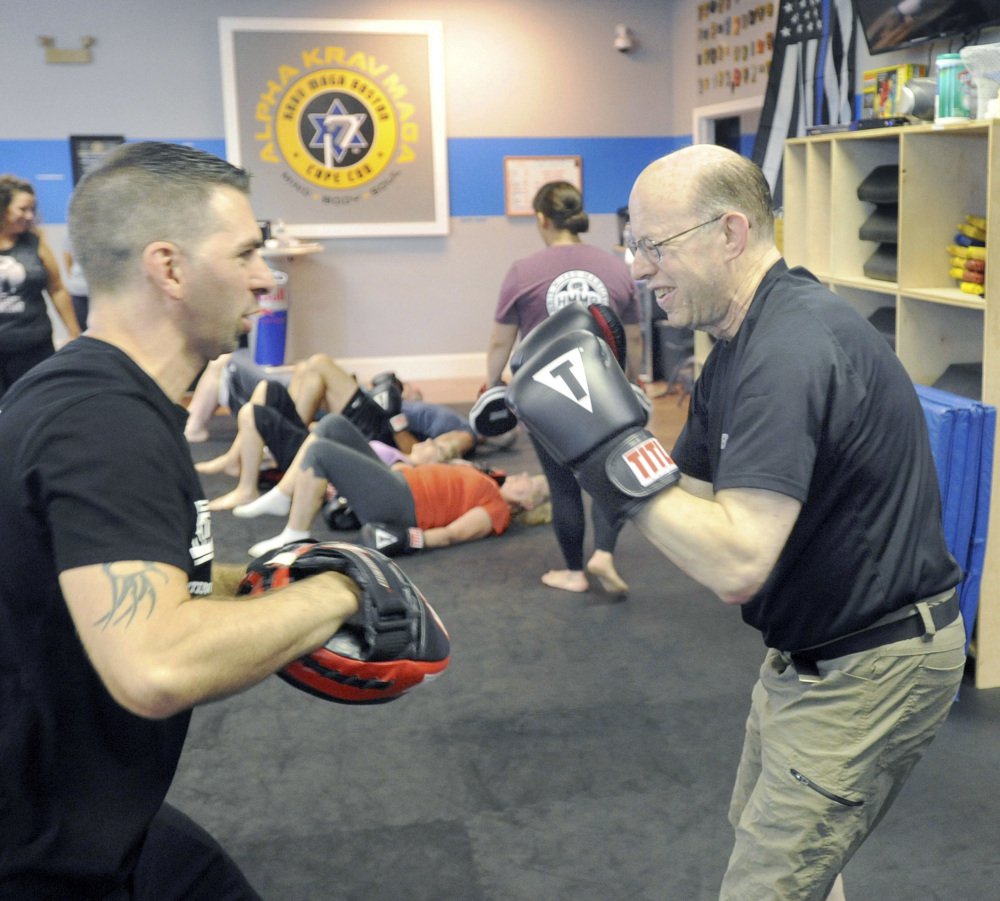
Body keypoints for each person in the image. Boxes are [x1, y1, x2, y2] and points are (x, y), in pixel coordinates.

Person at [507, 145, 966, 901]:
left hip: (872, 664)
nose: (638, 268)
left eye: (654, 245)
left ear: (730, 232)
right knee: (789, 850)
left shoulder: (787, 352)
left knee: (765, 885)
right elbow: (685, 496)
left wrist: (608, 448)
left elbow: (734, 563)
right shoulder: (736, 346)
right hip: (810, 650)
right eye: (633, 245)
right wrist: (596, 426)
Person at [0, 142, 378, 898]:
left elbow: (116, 567)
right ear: (169, 268)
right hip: (39, 841)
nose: (266, 277)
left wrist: (264, 578)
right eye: (244, 254)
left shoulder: (91, 394)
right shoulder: (104, 426)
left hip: (86, 793)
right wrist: (342, 593)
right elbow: (156, 665)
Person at [483, 180, 643, 596]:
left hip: (547, 395)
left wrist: (491, 385)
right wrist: (633, 383)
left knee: (563, 484)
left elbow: (502, 339)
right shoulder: (615, 267)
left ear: (541, 219)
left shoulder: (523, 271)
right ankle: (604, 552)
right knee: (608, 475)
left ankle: (574, 571)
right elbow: (634, 337)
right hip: (605, 388)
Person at [236, 413, 550, 559]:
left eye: (529, 485)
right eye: (527, 475)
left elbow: (454, 534)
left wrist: (410, 540)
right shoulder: (490, 479)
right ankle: (282, 495)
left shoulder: (496, 512)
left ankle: (296, 534)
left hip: (402, 504)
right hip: (398, 480)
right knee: (333, 424)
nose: (522, 477)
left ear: (529, 506)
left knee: (321, 453)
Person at [198, 358, 477, 511]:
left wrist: (397, 418)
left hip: (381, 442)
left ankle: (257, 465)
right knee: (300, 373)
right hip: (373, 422)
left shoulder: (459, 429)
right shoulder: (419, 405)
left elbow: (415, 458)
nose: (431, 441)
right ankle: (243, 454)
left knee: (319, 365)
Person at [0, 174, 81, 395]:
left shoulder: (36, 242)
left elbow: (56, 289)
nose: (30, 215)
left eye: (33, 209)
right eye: (23, 209)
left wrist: (74, 332)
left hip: (33, 346)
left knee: (34, 402)